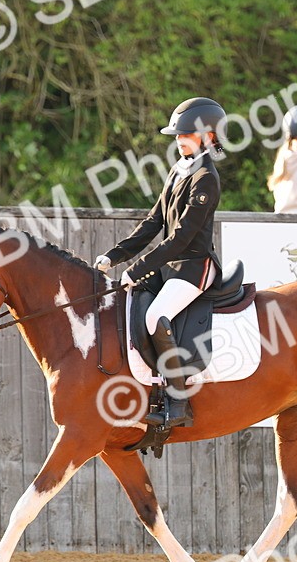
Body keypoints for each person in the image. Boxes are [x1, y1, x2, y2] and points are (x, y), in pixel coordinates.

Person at [93, 96, 226, 429]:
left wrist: (137, 270)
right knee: (128, 304)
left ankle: (178, 401)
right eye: (177, 135)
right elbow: (153, 222)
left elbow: (180, 238)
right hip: (171, 266)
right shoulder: (180, 170)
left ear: (209, 136)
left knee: (156, 316)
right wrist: (114, 256)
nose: (180, 141)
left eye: (187, 135)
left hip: (195, 267)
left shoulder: (205, 178)